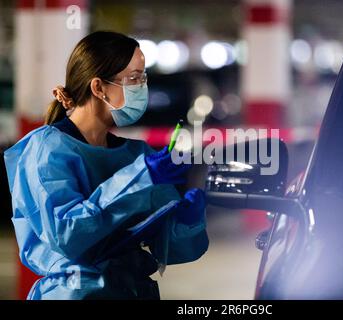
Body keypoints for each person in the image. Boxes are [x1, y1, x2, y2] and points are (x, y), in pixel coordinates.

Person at [3, 31, 208, 300]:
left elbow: (169, 249)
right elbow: (67, 234)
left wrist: (186, 223)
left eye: (143, 78)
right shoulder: (47, 150)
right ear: (98, 87)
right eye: (134, 79)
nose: (142, 88)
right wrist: (139, 180)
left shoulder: (134, 154)